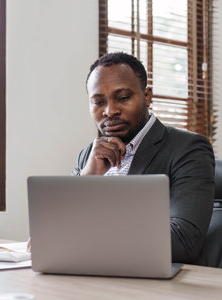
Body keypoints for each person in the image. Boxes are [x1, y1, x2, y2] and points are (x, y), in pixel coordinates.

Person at [72, 52, 214, 263]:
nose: (110, 111)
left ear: (147, 96)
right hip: (91, 273)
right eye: (98, 102)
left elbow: (183, 242)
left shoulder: (188, 149)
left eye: (122, 98)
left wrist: (91, 235)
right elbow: (63, 226)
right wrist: (87, 178)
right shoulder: (89, 156)